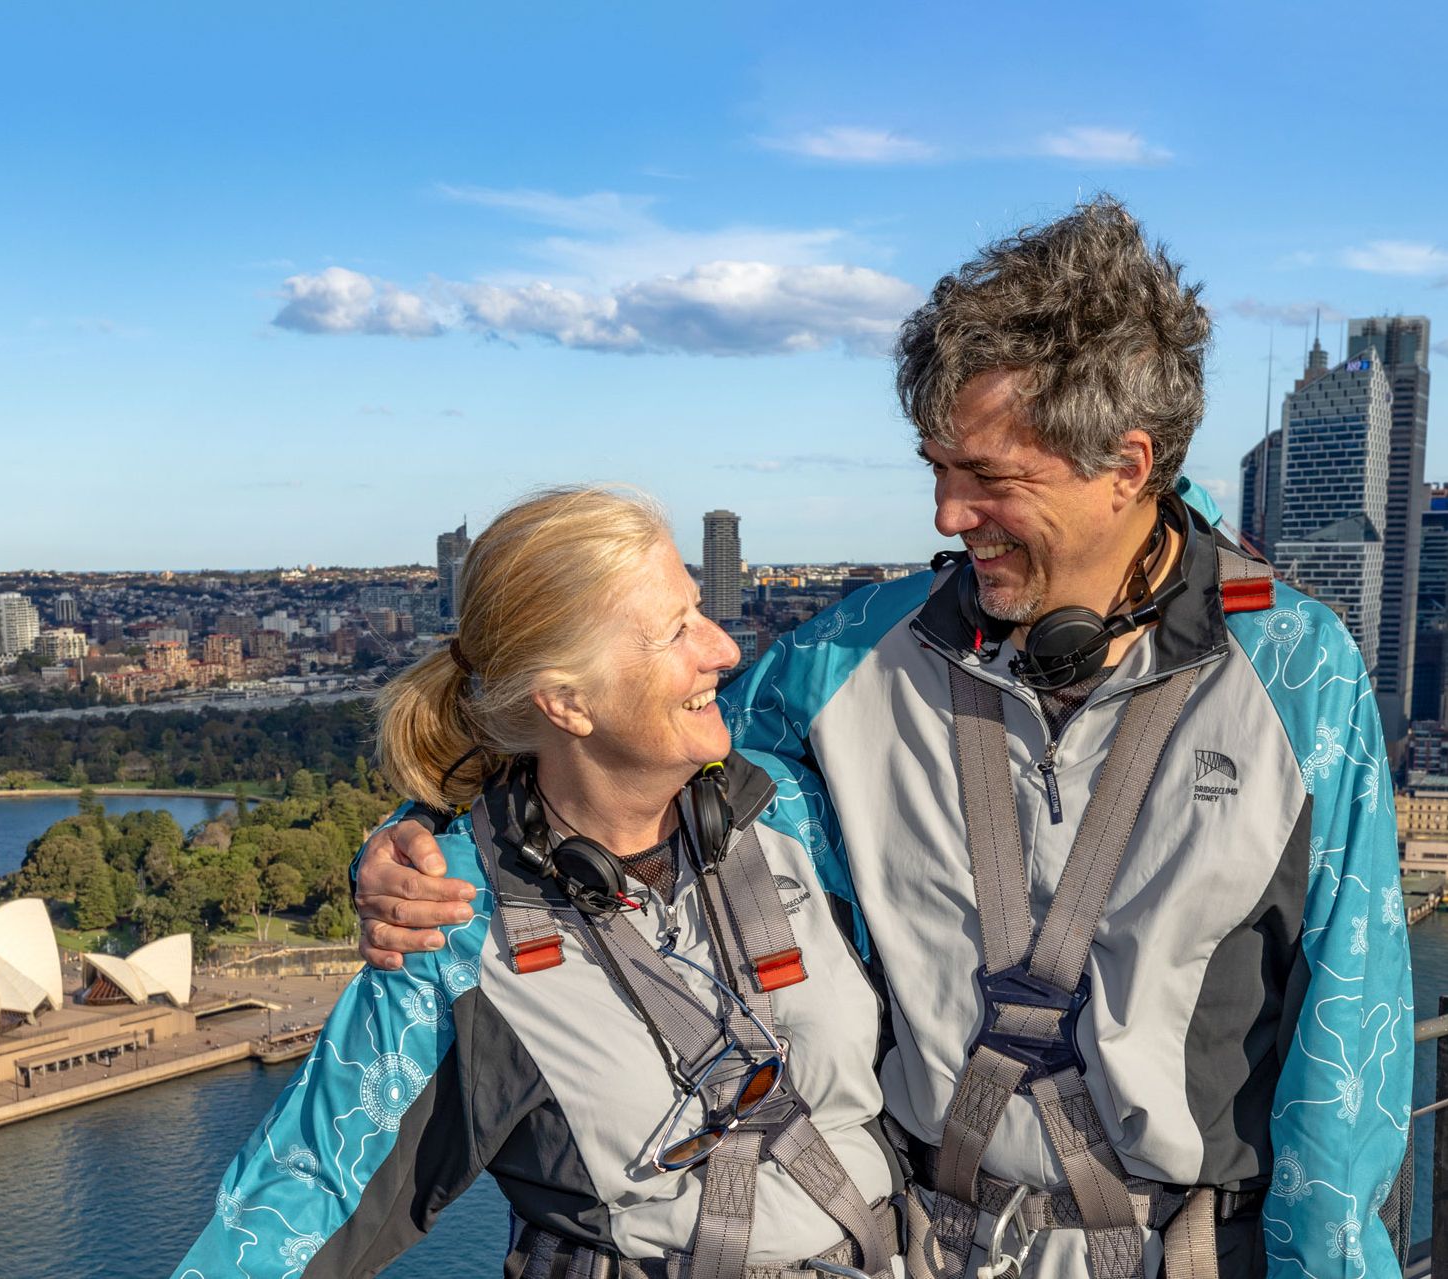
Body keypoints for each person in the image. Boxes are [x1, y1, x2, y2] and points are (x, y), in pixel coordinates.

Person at [352, 199, 1413, 1278]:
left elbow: (1347, 1052)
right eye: (935, 467)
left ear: (1125, 466)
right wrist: (424, 832)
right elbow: (619, 761)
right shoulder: (843, 659)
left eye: (989, 478)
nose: (946, 515)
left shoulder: (1294, 673)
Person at [176, 488, 902, 1278]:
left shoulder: (793, 810)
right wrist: (432, 836)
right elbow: (303, 1198)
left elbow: (929, 614)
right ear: (565, 700)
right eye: (676, 630)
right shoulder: (453, 922)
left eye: (699, 608)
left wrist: (413, 817)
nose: (724, 649)